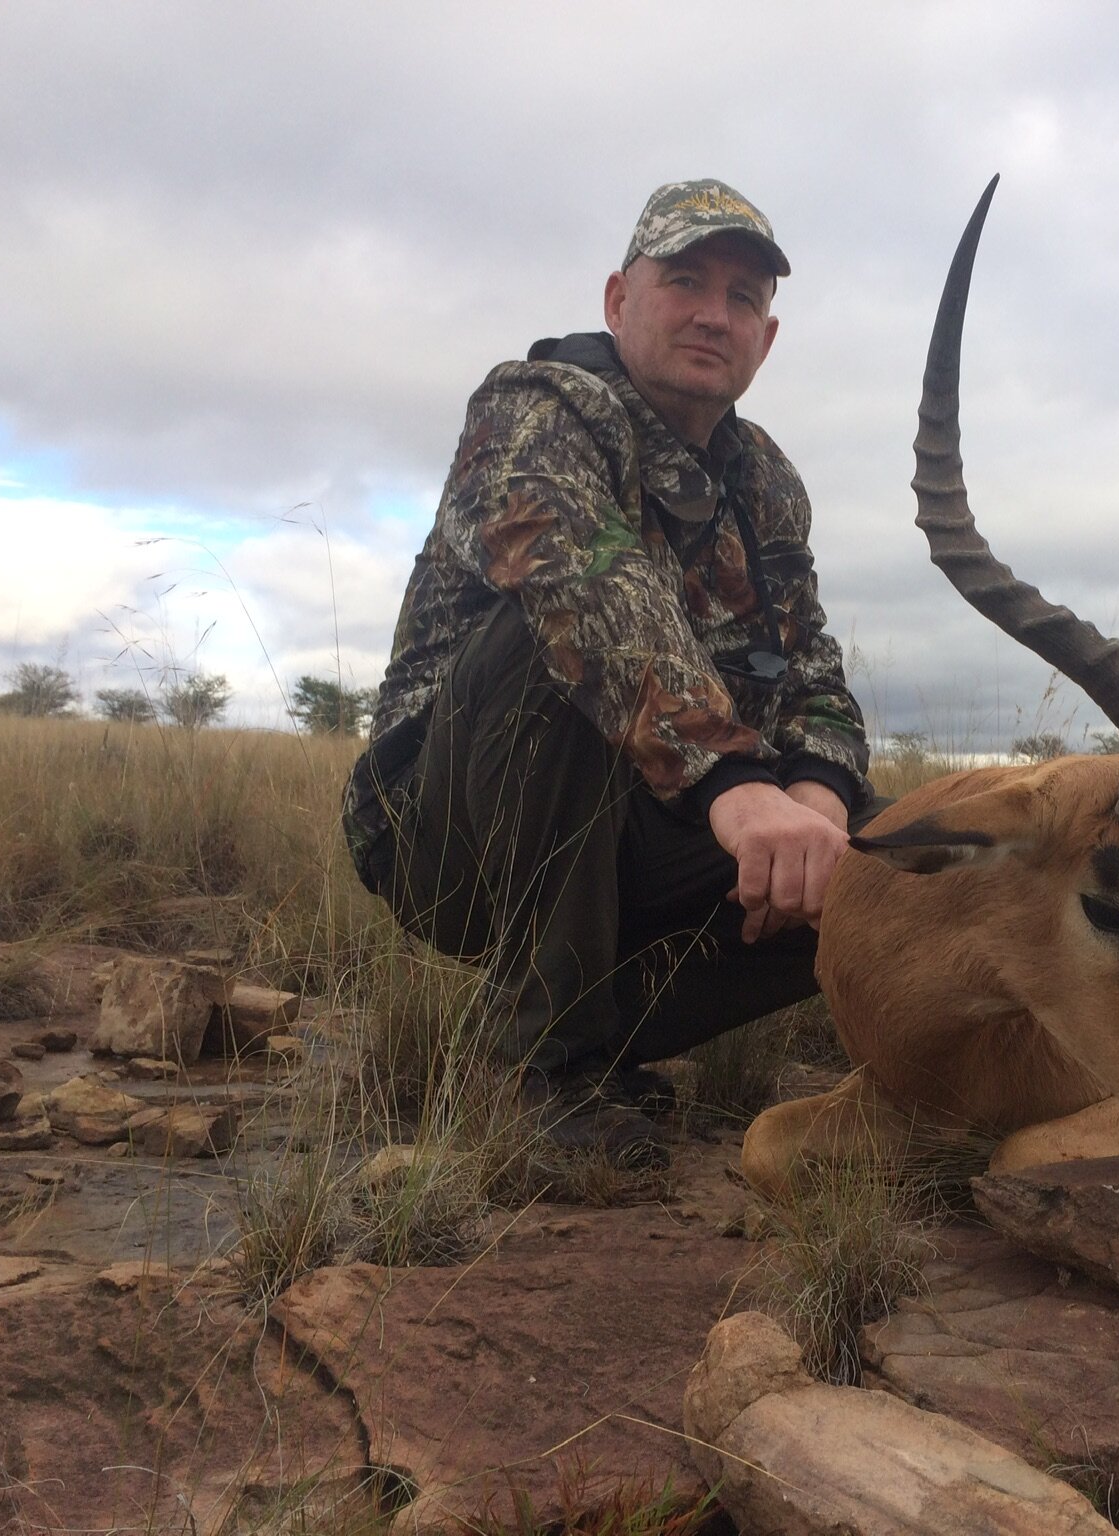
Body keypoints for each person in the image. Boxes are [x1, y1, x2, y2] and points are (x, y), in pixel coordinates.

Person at [343, 179, 874, 1161]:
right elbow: (574, 580)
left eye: (743, 298)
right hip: (448, 835)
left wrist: (818, 796)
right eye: (685, 281)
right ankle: (526, 1071)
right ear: (616, 300)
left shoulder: (763, 481)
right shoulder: (533, 406)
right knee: (561, 652)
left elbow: (809, 665)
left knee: (891, 864)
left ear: (766, 337)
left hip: (648, 830)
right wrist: (734, 782)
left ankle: (591, 1037)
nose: (715, 313)